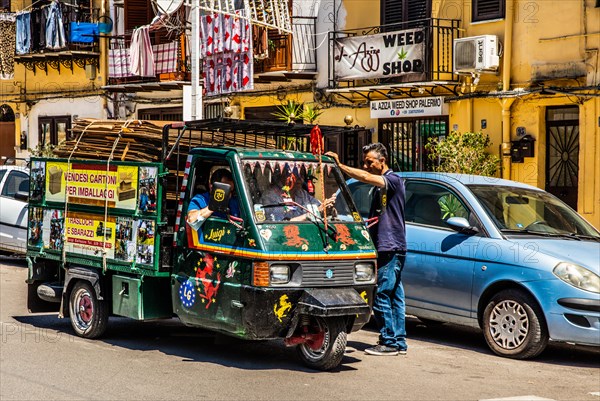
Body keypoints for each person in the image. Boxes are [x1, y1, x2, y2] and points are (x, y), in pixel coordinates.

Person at [326, 143, 407, 356]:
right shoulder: (380, 187)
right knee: (394, 295)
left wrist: (339, 165)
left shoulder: (392, 180)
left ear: (382, 160)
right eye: (364, 162)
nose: (366, 166)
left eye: (369, 162)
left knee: (381, 293)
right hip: (390, 246)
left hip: (390, 246)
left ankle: (388, 341)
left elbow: (365, 177)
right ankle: (398, 341)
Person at [259, 167, 335, 222]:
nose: (301, 179)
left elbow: (317, 206)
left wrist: (326, 209)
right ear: (284, 175)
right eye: (296, 175)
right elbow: (280, 224)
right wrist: (309, 215)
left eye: (302, 175)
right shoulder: (271, 195)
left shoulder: (302, 193)